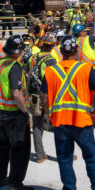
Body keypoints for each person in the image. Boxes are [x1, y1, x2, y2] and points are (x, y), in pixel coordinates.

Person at [42, 35, 95, 190]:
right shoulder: (85, 69)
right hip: (82, 122)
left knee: (65, 160)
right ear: (76, 51)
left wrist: (50, 114)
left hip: (60, 123)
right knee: (91, 158)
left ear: (61, 52)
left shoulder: (50, 71)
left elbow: (44, 98)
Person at [0, 34, 35, 190]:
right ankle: (15, 184)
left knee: (3, 147)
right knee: (20, 150)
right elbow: (16, 93)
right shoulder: (14, 66)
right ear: (19, 51)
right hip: (14, 114)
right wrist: (25, 112)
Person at [28, 32, 60, 161]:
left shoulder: (33, 57)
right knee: (58, 126)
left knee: (37, 125)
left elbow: (25, 72)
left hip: (34, 95)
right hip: (48, 96)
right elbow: (55, 80)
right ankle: (63, 154)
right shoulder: (51, 60)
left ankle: (40, 155)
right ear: (53, 46)